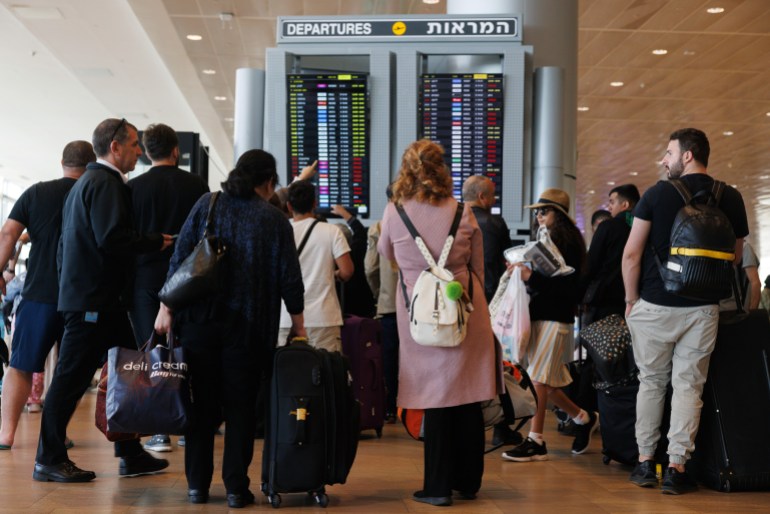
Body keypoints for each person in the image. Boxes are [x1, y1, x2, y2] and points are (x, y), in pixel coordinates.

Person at [154, 149, 306, 508]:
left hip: (200, 324)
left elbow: (180, 261)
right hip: (250, 330)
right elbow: (290, 281)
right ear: (269, 182)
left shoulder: (208, 204)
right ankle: (236, 489)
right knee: (241, 410)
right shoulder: (274, 220)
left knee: (201, 406)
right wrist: (300, 327)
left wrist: (165, 308)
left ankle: (197, 486)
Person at [33, 118, 174, 483]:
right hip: (94, 302)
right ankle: (48, 457)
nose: (139, 152)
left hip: (98, 301)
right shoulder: (105, 184)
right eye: (133, 145)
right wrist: (153, 241)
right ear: (115, 146)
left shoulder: (88, 184)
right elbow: (112, 237)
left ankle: (129, 452)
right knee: (70, 379)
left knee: (127, 372)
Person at [623, 128, 748, 495]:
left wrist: (631, 299)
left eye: (668, 152)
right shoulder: (732, 197)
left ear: (688, 155)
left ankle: (646, 463)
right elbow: (735, 257)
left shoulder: (658, 194)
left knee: (652, 383)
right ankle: (677, 467)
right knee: (689, 388)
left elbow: (632, 254)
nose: (664, 160)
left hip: (655, 304)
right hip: (703, 309)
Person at [378, 139, 501, 507]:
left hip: (419, 317)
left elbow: (387, 254)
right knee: (466, 395)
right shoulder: (462, 211)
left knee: (435, 397)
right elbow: (478, 266)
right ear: (441, 170)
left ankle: (437, 486)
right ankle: (468, 481)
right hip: (464, 308)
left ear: (406, 170)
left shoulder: (394, 211)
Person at [0, 141, 95, 450]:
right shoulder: (96, 192)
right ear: (90, 164)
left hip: (38, 293)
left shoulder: (36, 192)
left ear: (62, 162)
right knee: (70, 372)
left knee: (21, 365)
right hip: (82, 296)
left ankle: (6, 435)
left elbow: (8, 235)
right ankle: (56, 434)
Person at [128, 123, 208, 453]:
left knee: (152, 352)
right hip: (187, 280)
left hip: (144, 279)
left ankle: (158, 430)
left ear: (147, 152)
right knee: (186, 351)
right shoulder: (196, 185)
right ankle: (188, 422)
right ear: (177, 151)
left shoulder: (132, 187)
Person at [502, 188, 598, 463]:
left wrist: (530, 275)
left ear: (559, 214)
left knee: (539, 381)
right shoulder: (547, 242)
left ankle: (536, 440)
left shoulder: (566, 245)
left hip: (557, 319)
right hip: (543, 317)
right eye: (537, 213)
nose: (539, 217)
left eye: (544, 211)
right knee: (548, 384)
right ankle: (583, 417)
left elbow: (569, 289)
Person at [277, 180, 353, 352]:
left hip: (286, 318)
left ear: (289, 206)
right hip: (323, 318)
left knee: (287, 374)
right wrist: (335, 274)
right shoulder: (332, 231)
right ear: (314, 203)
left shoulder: (281, 231)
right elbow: (347, 271)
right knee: (326, 372)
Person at [365, 184, 400, 422]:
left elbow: (370, 268)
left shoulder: (377, 227)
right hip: (416, 308)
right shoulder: (419, 225)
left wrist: (380, 295)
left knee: (389, 360)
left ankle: (389, 408)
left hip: (388, 306)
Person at [582, 184, 640, 325]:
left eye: (612, 202)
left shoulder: (608, 227)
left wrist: (581, 294)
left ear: (625, 204)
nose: (609, 207)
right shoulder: (643, 227)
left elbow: (591, 264)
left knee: (601, 344)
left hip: (605, 301)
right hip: (636, 300)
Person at [462, 175, 511, 303]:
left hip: (459, 294)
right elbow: (509, 260)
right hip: (491, 296)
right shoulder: (496, 224)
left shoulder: (451, 222)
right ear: (481, 197)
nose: (494, 200)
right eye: (492, 195)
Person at [719, 239, 760, 312]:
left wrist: (752, 312)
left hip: (739, 311)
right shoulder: (712, 248)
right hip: (715, 312)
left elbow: (755, 283)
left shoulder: (744, 247)